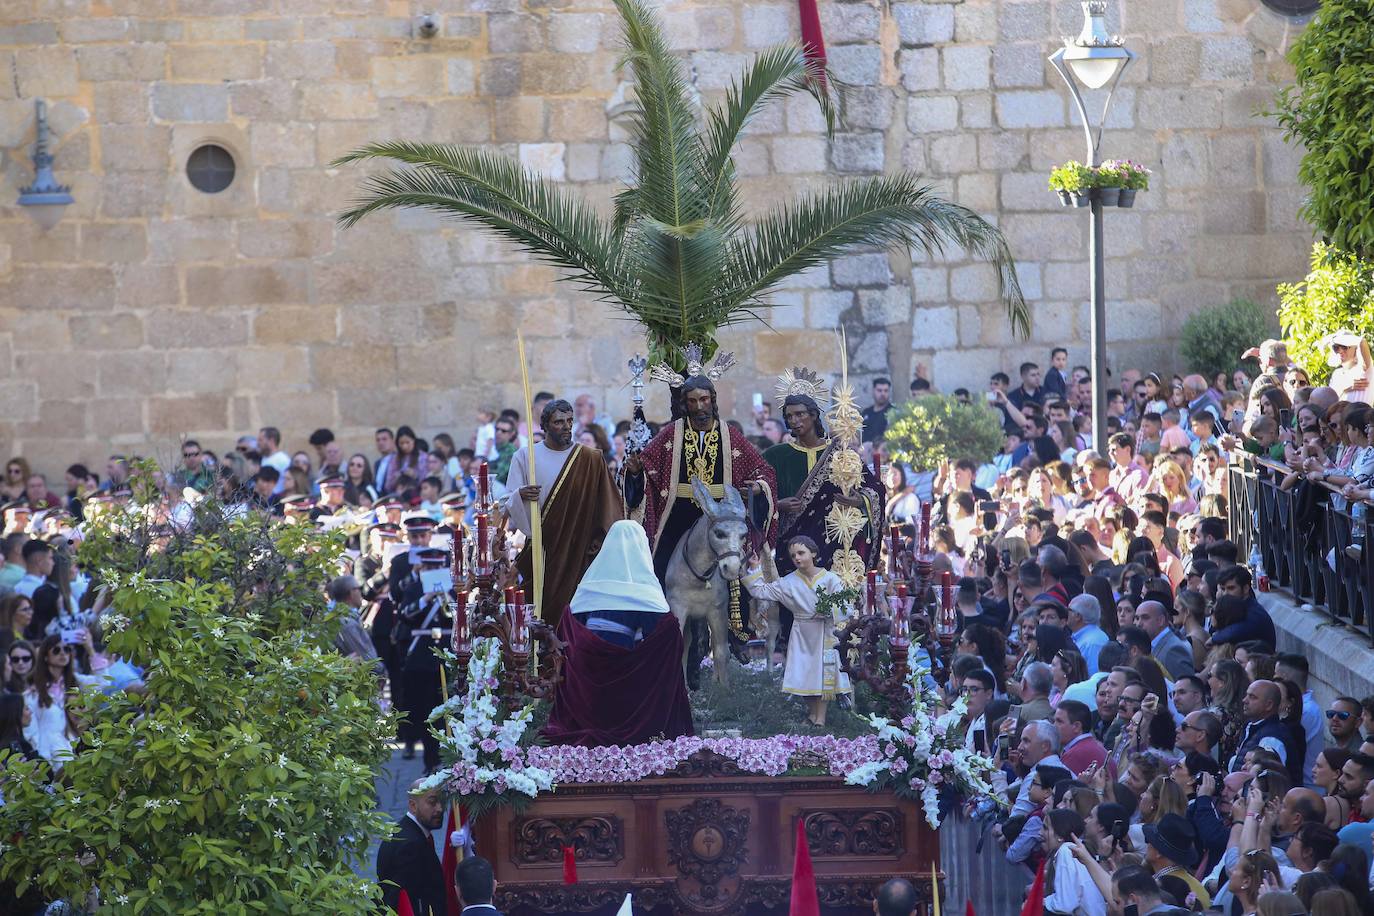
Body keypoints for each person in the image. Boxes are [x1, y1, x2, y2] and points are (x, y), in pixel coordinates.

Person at [543, 520, 693, 746]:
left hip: (588, 701)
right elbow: (667, 642)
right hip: (637, 704)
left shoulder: (587, 593)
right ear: (642, 548)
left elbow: (568, 637)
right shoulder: (648, 598)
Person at [622, 363, 777, 580]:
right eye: (692, 401)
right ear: (685, 404)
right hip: (678, 516)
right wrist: (637, 473)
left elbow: (762, 469)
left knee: (735, 570)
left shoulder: (730, 434)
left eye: (704, 400)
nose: (699, 407)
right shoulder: (671, 433)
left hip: (720, 516)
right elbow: (647, 465)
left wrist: (759, 487)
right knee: (662, 566)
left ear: (712, 400)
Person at [505, 399, 624, 628]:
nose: (567, 426)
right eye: (559, 422)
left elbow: (608, 506)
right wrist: (520, 494)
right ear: (545, 426)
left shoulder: (590, 459)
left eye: (570, 421)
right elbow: (506, 501)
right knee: (540, 612)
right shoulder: (525, 456)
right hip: (543, 547)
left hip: (579, 550)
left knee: (574, 618)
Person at [764, 386, 884, 579]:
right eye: (789, 416)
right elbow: (758, 493)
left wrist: (860, 500)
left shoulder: (841, 453)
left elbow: (874, 487)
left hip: (832, 544)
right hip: (790, 546)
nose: (794, 420)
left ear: (813, 415)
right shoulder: (775, 455)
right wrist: (778, 505)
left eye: (799, 414)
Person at [744, 536, 848, 727]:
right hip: (801, 633)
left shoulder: (831, 579)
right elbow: (760, 591)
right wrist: (754, 568)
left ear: (813, 553)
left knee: (822, 673)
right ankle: (812, 714)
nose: (797, 558)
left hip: (824, 632)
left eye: (801, 553)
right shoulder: (788, 582)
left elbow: (845, 605)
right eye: (793, 556)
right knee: (803, 673)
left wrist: (828, 610)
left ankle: (820, 719)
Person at [376, 779, 447, 916]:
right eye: (432, 802)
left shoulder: (403, 831)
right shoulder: (411, 846)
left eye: (441, 801)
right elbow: (405, 901)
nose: (439, 808)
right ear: (413, 806)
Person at [861, 377, 895, 444]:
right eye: (879, 390)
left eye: (886, 391)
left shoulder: (893, 412)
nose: (883, 394)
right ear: (873, 391)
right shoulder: (866, 413)